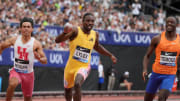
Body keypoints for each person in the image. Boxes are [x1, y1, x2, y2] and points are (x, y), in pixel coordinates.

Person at [55, 12, 117, 101]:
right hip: (70, 67)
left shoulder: (95, 34)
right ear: (83, 21)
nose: (90, 23)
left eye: (92, 21)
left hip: (84, 66)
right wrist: (64, 32)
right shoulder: (75, 31)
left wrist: (110, 55)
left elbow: (97, 46)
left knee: (77, 84)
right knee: (67, 90)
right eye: (88, 21)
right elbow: (57, 40)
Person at [0, 17, 47, 101]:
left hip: (29, 74)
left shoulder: (36, 44)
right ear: (20, 28)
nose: (26, 29)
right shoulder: (14, 40)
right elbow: (2, 46)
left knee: (28, 98)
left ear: (32, 29)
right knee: (12, 84)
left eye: (28, 27)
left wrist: (39, 58)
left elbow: (45, 60)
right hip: (16, 71)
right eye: (24, 26)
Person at [142, 16, 179, 101]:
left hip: (169, 75)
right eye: (167, 22)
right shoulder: (157, 39)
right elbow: (147, 56)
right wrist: (144, 69)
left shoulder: (179, 41)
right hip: (155, 74)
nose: (169, 24)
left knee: (161, 98)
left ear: (176, 25)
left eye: (171, 22)